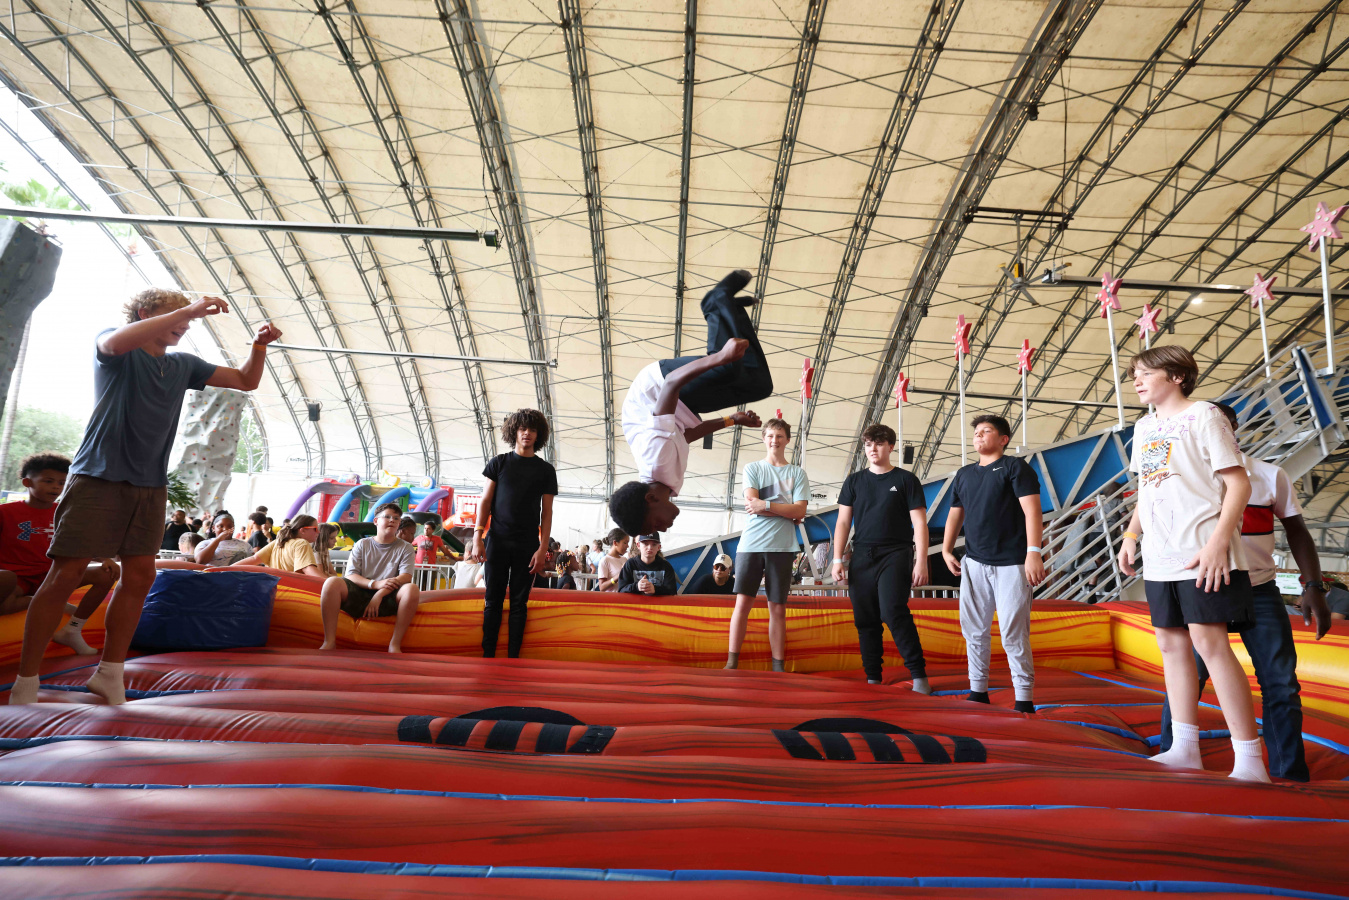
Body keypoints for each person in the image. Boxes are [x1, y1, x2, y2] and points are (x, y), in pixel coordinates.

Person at [8, 289, 280, 706]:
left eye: (187, 319)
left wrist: (258, 346)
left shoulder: (183, 364)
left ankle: (110, 673)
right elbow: (113, 344)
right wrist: (191, 308)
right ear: (143, 313)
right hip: (97, 477)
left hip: (150, 485)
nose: (185, 324)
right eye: (177, 315)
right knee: (65, 574)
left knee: (139, 577)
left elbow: (246, 381)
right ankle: (27, 679)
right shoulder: (117, 347)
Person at [1156, 402, 1332, 782]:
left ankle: (1288, 774)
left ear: (1231, 428)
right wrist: (1130, 537)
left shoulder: (1269, 476)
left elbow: (1297, 531)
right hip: (1204, 586)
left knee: (1281, 683)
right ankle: (1174, 750)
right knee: (1188, 675)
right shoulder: (1182, 477)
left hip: (1259, 588)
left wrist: (1314, 586)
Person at [1118, 345, 1267, 782]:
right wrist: (1131, 536)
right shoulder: (1144, 427)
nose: (1137, 381)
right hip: (1159, 556)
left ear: (1178, 376)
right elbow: (1149, 488)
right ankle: (1184, 748)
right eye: (1134, 374)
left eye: (1146, 373)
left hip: (1202, 549)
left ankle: (1250, 760)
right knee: (1170, 645)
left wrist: (1219, 542)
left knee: (1210, 644)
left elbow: (1238, 485)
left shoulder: (1204, 415)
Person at [609, 270, 771, 537]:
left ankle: (715, 303)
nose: (663, 529)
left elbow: (672, 383)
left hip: (659, 383)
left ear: (651, 499)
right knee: (760, 385)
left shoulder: (655, 458)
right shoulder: (667, 483)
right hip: (681, 406)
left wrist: (720, 357)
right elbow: (685, 436)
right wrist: (732, 420)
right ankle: (729, 309)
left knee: (728, 367)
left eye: (655, 525)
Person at [941, 414, 1045, 713]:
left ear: (1003, 439)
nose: (978, 435)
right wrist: (946, 549)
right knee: (974, 631)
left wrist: (1033, 552)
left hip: (1012, 563)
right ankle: (978, 691)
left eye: (986, 431)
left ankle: (1024, 698)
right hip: (974, 562)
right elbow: (955, 514)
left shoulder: (1015, 467)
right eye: (976, 432)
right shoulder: (964, 474)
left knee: (1013, 633)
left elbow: (1032, 511)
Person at [831, 424, 931, 691]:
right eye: (868, 444)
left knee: (893, 611)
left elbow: (919, 523)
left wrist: (921, 560)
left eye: (878, 443)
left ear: (891, 447)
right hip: (862, 554)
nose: (872, 449)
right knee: (865, 619)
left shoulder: (906, 480)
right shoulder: (854, 481)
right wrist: (837, 559)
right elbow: (843, 522)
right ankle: (873, 677)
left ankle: (919, 676)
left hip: (896, 553)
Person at [0, 453, 120, 655]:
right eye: (48, 481)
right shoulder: (5, 512)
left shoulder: (67, 513)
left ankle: (73, 629)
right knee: (5, 578)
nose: (56, 487)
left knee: (106, 574)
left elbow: (83, 542)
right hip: (18, 579)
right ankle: (44, 601)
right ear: (27, 482)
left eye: (62, 483)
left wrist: (105, 558)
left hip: (54, 576)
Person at [469, 409, 557, 658]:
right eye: (522, 429)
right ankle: (487, 655)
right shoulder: (499, 463)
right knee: (492, 600)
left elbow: (547, 513)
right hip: (496, 540)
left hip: (527, 544)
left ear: (538, 435)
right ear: (514, 432)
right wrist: (477, 537)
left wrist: (542, 548)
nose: (527, 433)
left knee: (519, 603)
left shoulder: (545, 470)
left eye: (532, 429)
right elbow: (485, 502)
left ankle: (513, 658)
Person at [725, 418, 809, 671]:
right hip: (750, 545)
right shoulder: (752, 468)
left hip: (782, 548)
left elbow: (800, 510)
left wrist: (767, 505)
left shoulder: (797, 473)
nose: (775, 440)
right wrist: (786, 511)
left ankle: (778, 666)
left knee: (778, 608)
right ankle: (731, 662)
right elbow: (753, 504)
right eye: (771, 436)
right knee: (742, 605)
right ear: (764, 438)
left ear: (788, 440)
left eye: (780, 436)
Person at [318, 502, 419, 653]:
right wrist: (374, 584)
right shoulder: (362, 544)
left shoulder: (406, 547)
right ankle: (329, 641)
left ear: (399, 524)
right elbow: (351, 575)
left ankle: (395, 644)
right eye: (387, 516)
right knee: (331, 582)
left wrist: (379, 594)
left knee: (411, 589)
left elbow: (405, 576)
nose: (392, 520)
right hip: (361, 591)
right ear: (376, 521)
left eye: (396, 518)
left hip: (387, 595)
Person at [235, 515, 325, 578]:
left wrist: (228, 569)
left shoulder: (278, 542)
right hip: (293, 592)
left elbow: (254, 559)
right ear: (303, 530)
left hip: (274, 590)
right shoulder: (302, 543)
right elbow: (308, 569)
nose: (319, 532)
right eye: (315, 529)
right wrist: (329, 582)